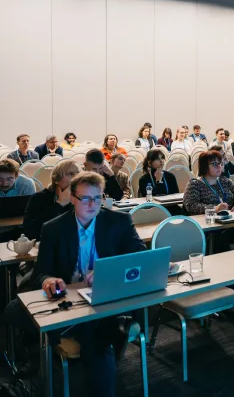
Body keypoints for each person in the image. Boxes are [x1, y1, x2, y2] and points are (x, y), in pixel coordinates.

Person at [5, 171, 146, 397]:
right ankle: (97, 331)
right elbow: (41, 271)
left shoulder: (119, 221)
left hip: (106, 296)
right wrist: (49, 280)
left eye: (97, 198)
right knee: (13, 310)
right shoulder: (53, 228)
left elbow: (139, 257)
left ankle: (76, 334)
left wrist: (107, 272)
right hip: (68, 296)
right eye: (85, 198)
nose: (92, 204)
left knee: (94, 337)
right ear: (72, 198)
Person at [23, 160, 80, 240]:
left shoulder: (81, 198)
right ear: (56, 179)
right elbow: (30, 231)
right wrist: (59, 204)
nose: (76, 178)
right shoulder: (38, 198)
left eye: (78, 173)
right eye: (70, 174)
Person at [183, 150, 234, 216]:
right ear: (205, 166)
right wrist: (214, 208)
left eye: (220, 163)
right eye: (214, 164)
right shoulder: (194, 184)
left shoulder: (225, 180)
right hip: (208, 220)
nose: (219, 166)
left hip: (231, 217)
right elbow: (191, 206)